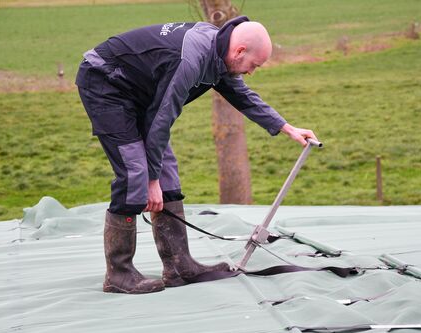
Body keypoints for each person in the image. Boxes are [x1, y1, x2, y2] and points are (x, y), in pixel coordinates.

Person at [76, 16, 319, 294]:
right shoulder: (189, 60)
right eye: (254, 65)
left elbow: (242, 95)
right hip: (107, 83)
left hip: (140, 90)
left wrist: (286, 127)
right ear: (239, 51)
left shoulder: (219, 51)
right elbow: (161, 119)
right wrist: (149, 182)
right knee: (135, 172)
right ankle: (119, 274)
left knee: (165, 172)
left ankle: (179, 266)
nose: (251, 72)